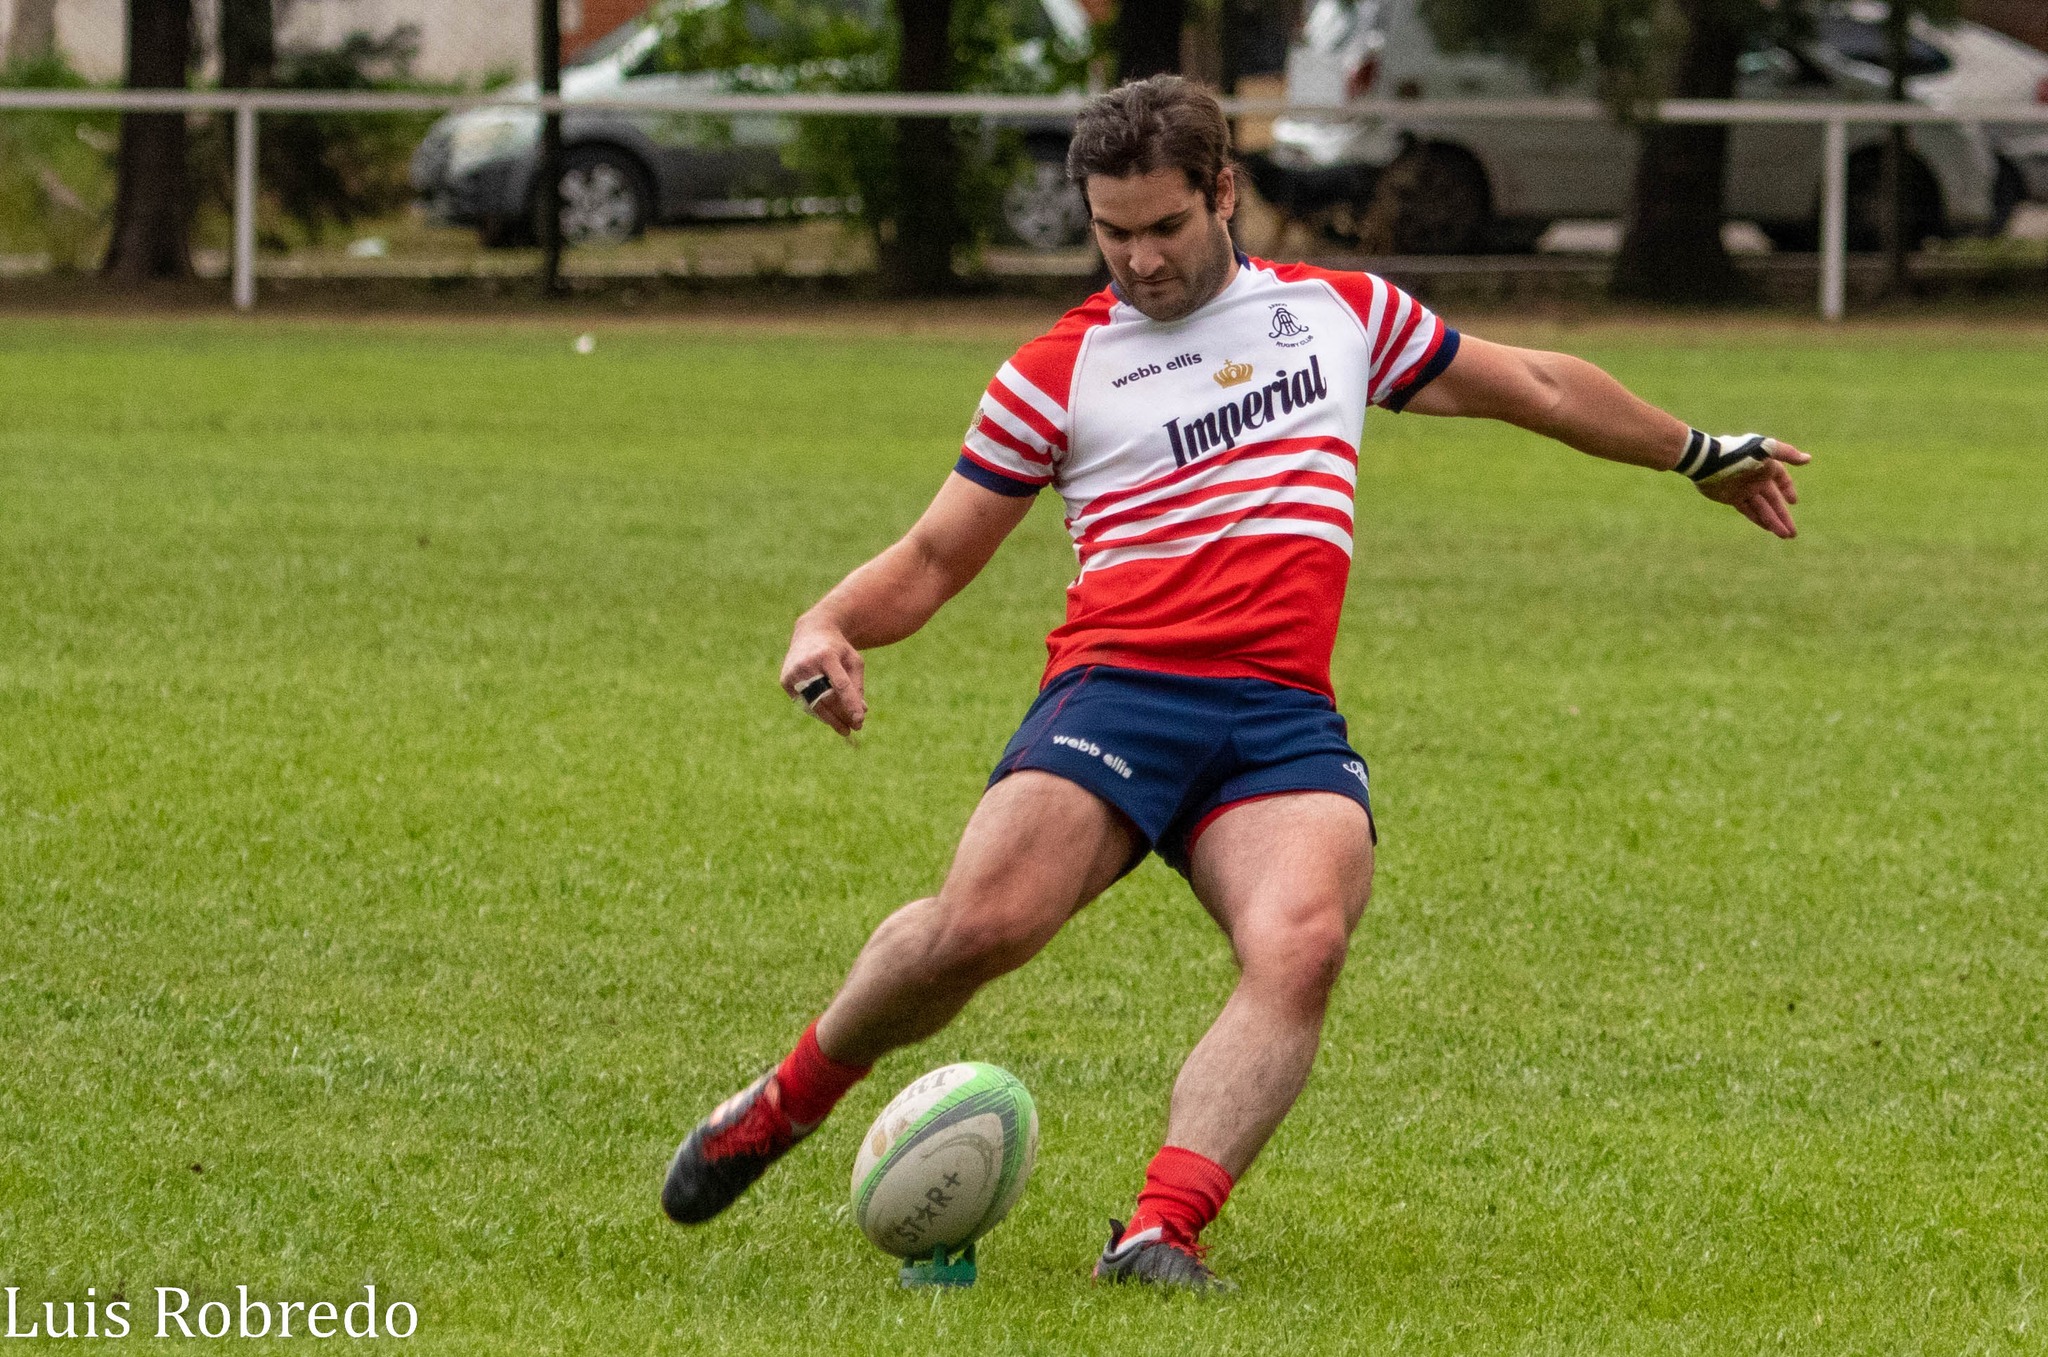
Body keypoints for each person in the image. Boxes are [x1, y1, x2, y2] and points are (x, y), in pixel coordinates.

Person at [660, 75, 1809, 1291]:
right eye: (1113, 233)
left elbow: (1532, 384)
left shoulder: (1336, 315)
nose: (1140, 260)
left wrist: (1697, 451)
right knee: (980, 927)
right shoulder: (1056, 370)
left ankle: (1161, 1229)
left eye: (1164, 227)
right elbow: (938, 555)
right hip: (1118, 691)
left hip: (1275, 715)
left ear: (1224, 192)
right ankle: (782, 1101)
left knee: (1301, 939)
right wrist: (828, 621)